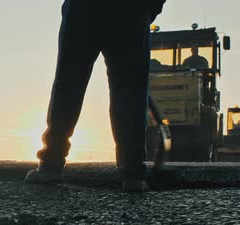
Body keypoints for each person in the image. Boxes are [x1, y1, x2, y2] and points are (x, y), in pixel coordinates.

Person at [25, 0, 165, 192]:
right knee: (130, 91)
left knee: (69, 84)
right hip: (132, 10)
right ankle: (133, 174)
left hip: (85, 9)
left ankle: (51, 164)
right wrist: (149, 8)